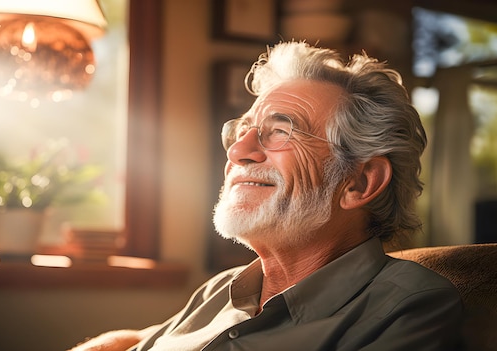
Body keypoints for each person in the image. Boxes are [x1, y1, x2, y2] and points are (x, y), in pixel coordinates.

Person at [70, 41, 463, 351]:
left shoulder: (408, 306)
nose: (238, 151)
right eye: (242, 130)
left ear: (359, 183)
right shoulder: (220, 289)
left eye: (280, 131)